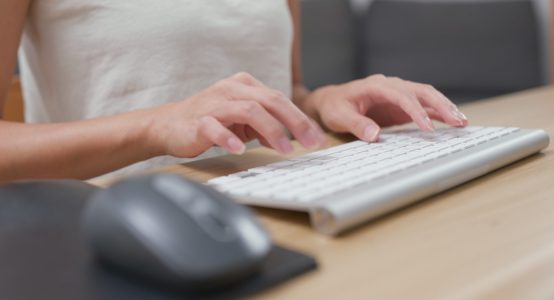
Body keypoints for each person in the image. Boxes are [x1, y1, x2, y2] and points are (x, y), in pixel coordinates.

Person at [0, 0, 468, 183]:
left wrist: (323, 103)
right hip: (121, 228)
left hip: (286, 204)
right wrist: (155, 125)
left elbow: (286, 90)